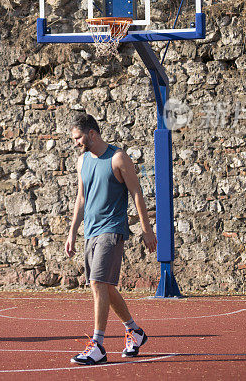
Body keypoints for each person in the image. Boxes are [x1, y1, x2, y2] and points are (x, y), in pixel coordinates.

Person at [65, 113, 157, 365]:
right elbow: (81, 199)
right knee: (104, 286)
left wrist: (147, 230)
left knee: (97, 283)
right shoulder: (83, 161)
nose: (75, 143)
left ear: (92, 133)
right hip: (91, 232)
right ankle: (134, 331)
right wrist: (73, 231)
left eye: (78, 138)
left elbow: (136, 193)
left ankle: (98, 346)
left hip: (112, 229)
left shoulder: (118, 157)